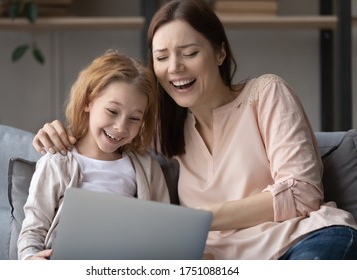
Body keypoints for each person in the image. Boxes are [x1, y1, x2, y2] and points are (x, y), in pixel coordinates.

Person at [32, 0, 357, 259]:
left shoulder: (266, 94)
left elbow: (302, 192)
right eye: (162, 57)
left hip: (304, 241)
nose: (175, 67)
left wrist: (200, 219)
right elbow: (111, 137)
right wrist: (60, 132)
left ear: (220, 52)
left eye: (189, 53)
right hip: (220, 264)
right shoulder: (162, 128)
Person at [18, 50, 170, 260]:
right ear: (88, 102)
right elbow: (32, 232)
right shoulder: (56, 161)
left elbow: (165, 231)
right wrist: (30, 259)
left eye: (134, 119)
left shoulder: (146, 167)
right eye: (112, 111)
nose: (120, 127)